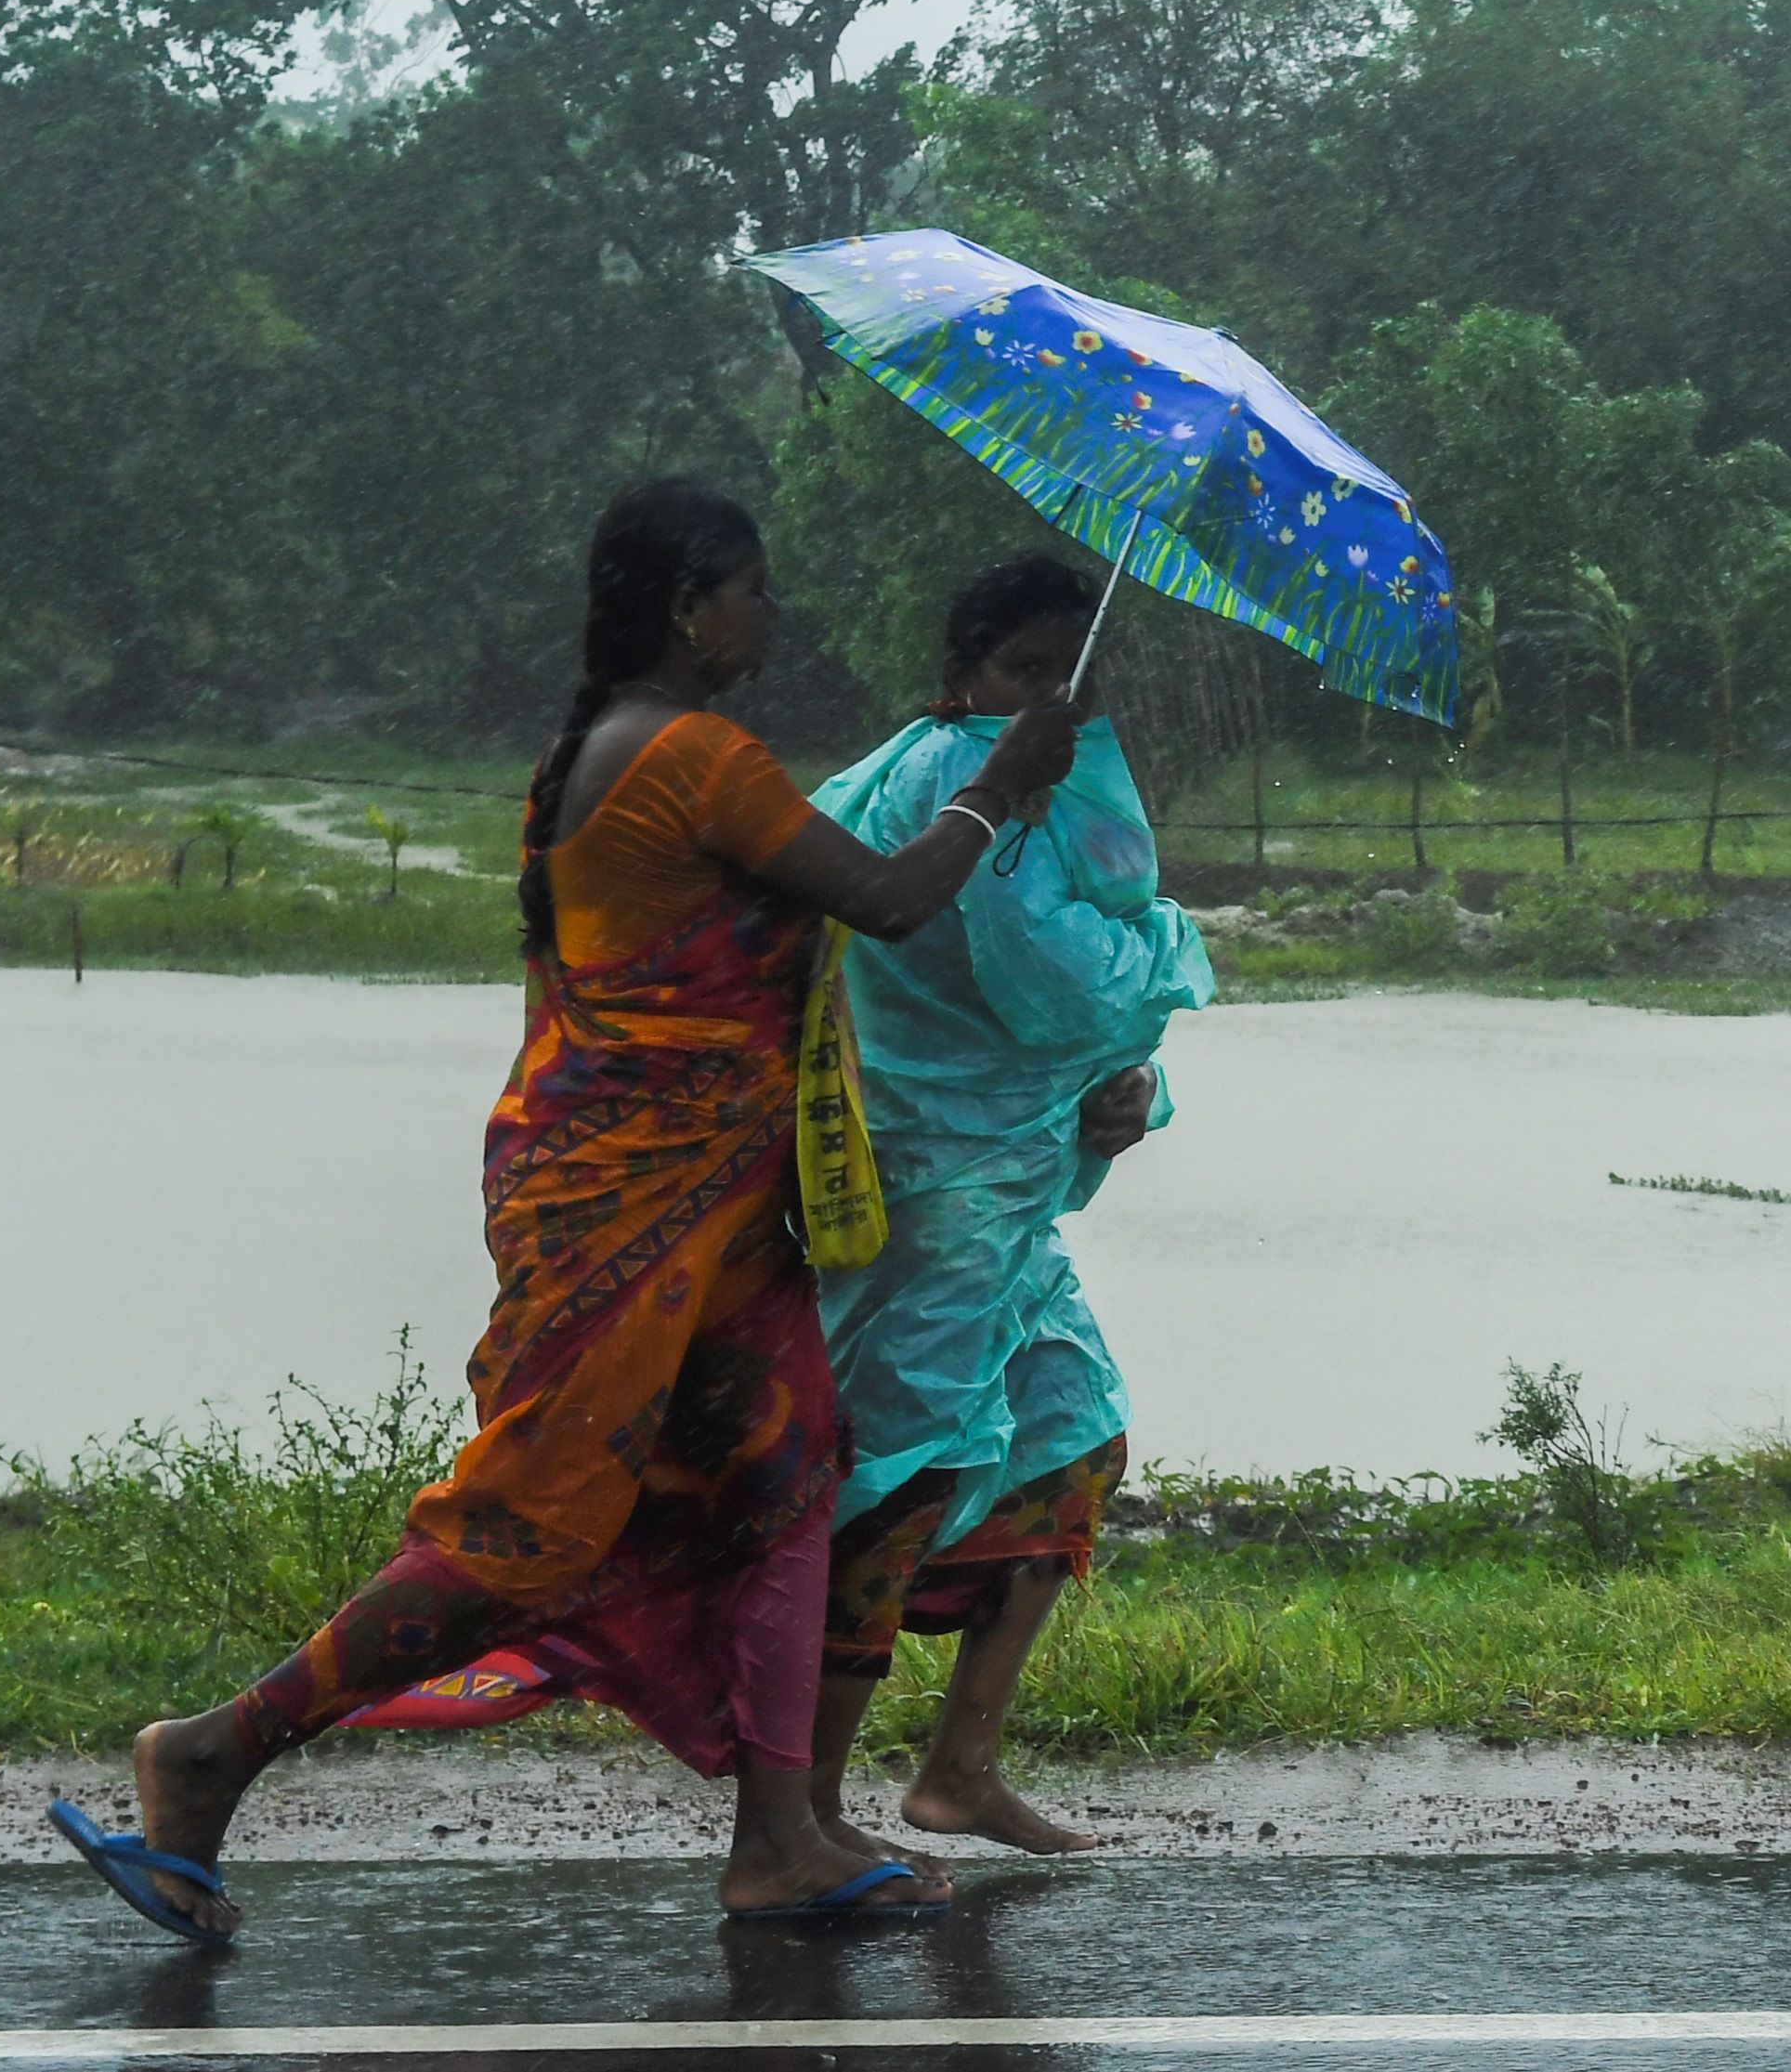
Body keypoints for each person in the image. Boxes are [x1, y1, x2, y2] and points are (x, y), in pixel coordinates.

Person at [52, 479, 1080, 1945]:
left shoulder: (590, 748)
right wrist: (1000, 780)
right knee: (528, 1532)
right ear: (685, 605)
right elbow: (890, 897)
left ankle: (779, 1835)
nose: (768, 615)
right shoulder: (691, 755)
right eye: (751, 589)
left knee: (792, 1469)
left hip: (717, 1207)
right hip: (626, 1201)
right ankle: (213, 1748)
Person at [805, 551, 1210, 1856]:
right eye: (1022, 673)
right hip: (934, 1200)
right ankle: (805, 1811)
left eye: (1071, 679)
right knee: (900, 1476)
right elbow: (1064, 986)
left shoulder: (1025, 793)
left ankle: (959, 1769)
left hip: (1003, 1198)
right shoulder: (960, 790)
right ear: (961, 677)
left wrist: (1128, 1086)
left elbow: (1079, 1030)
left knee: (1067, 1435)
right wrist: (1174, 959)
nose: (1049, 701)